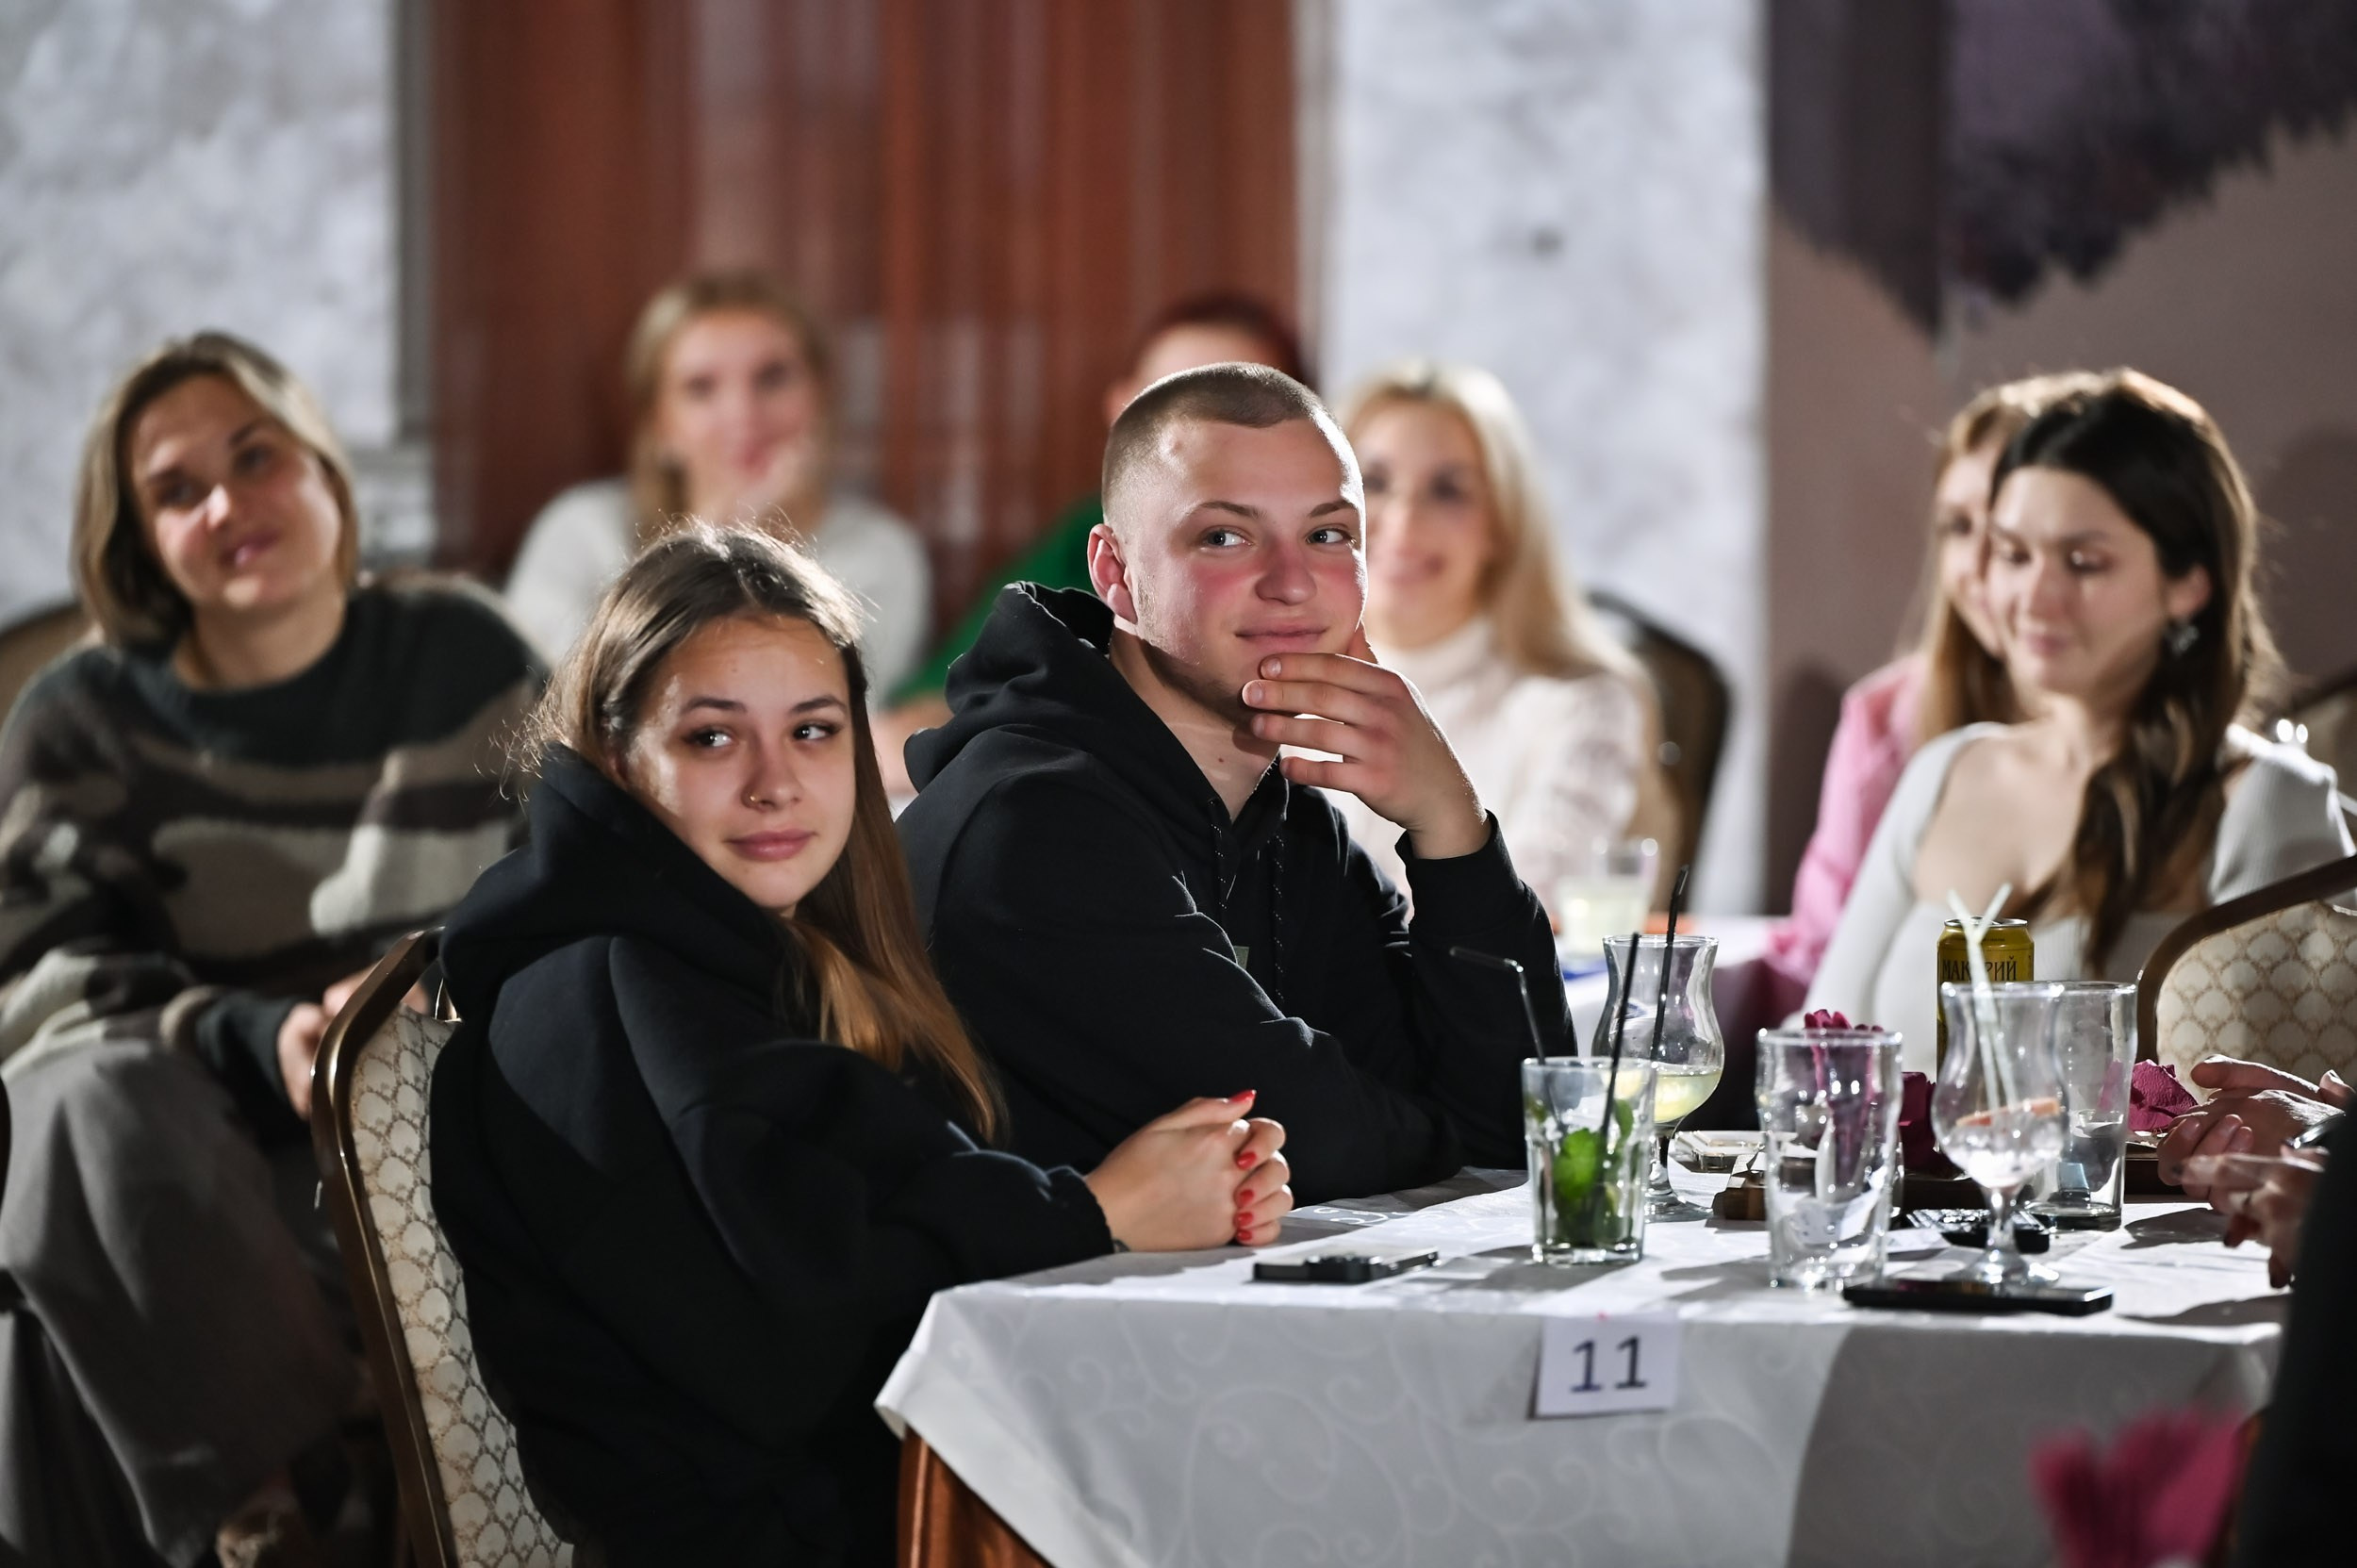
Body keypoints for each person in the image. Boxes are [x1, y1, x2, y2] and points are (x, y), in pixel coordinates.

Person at [430, 525, 1291, 1566]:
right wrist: (1095, 1214)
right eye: (712, 737)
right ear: (618, 762)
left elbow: (887, 1205)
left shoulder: (765, 961)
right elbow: (795, 1344)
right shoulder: (599, 994)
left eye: (812, 730)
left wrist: (1171, 1186)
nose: (775, 782)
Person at [0, 333, 541, 1566]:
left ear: (325, 473)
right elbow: (29, 983)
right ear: (140, 542)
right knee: (77, 1107)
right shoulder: (79, 720)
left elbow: (573, 878)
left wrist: (413, 998)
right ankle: (278, 1515)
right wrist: (255, 1039)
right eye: (177, 490)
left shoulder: (464, 653)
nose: (227, 505)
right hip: (194, 1158)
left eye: (257, 457)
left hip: (428, 1121)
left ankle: (303, 1504)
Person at [895, 362, 1563, 1202]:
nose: (1292, 583)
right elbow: (1311, 1134)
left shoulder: (1293, 826)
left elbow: (1526, 1120)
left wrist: (1451, 825)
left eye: (1328, 535)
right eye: (1224, 537)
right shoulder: (1032, 822)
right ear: (1114, 572)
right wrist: (1441, 1127)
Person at [1807, 370, 2350, 1066]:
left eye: (2084, 563)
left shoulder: (2258, 800)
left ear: (2189, 583)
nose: (2034, 596)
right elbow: (1822, 1045)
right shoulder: (1947, 770)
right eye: (2013, 554)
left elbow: (2288, 1102)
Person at [873, 291, 1308, 790]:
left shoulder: (1320, 571)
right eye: (1169, 404)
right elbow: (923, 718)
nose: (1204, 438)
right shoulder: (1085, 536)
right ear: (1121, 413)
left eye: (1239, 410)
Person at [1764, 374, 2098, 1004]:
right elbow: (1822, 957)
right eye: (1958, 527)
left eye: (2008, 535)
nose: (1979, 565)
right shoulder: (1885, 719)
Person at [1331, 359, 1673, 913]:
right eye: (1374, 482)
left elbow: (1517, 911)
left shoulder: (1584, 703)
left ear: (1502, 525)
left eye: (1447, 491)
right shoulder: (1264, 689)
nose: (1404, 521)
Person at [503, 269, 931, 691]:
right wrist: (717, 536)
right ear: (659, 427)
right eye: (701, 387)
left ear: (821, 399)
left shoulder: (879, 550)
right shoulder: (579, 529)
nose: (743, 414)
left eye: (772, 378)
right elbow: (576, 698)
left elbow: (837, 707)